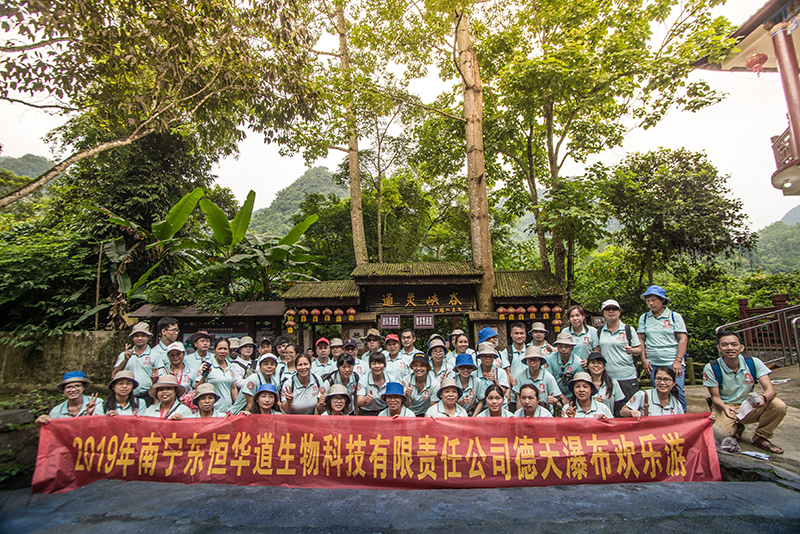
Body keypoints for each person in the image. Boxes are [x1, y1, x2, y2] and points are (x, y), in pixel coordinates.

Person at [703, 330, 787, 454]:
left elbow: (770, 390)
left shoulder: (753, 363)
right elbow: (715, 397)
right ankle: (737, 428)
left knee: (778, 405)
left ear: (741, 347)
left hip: (749, 406)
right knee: (720, 438)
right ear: (719, 348)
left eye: (734, 344)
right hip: (725, 407)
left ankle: (761, 436)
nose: (730, 348)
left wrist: (763, 398)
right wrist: (724, 407)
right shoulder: (712, 368)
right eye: (725, 345)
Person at [637, 285, 689, 411]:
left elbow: (683, 339)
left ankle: (683, 419)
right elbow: (641, 340)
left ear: (662, 300)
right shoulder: (644, 318)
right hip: (653, 362)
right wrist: (644, 359)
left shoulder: (674, 316)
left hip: (672, 362)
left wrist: (678, 360)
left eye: (654, 300)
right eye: (648, 300)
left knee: (678, 392)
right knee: (659, 393)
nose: (651, 303)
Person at [597, 299, 642, 401]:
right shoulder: (599, 332)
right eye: (607, 309)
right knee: (611, 409)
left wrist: (632, 350)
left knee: (629, 409)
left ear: (619, 312)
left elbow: (640, 350)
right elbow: (597, 352)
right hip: (608, 378)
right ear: (603, 313)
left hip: (627, 376)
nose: (611, 311)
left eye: (614, 309)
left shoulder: (628, 330)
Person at [111, 322, 160, 406]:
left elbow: (160, 376)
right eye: (137, 336)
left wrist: (155, 397)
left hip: (147, 395)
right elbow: (114, 375)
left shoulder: (155, 355)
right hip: (127, 396)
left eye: (143, 335)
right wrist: (125, 360)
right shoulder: (124, 354)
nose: (140, 338)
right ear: (132, 338)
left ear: (148, 337)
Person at [510, 346, 566, 414]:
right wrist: (521, 415)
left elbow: (556, 398)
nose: (532, 362)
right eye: (530, 360)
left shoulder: (548, 377)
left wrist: (552, 400)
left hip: (545, 413)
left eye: (535, 359)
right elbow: (518, 397)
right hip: (526, 412)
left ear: (540, 361)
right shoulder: (520, 376)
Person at [36, 371, 100, 425]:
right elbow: (52, 435)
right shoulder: (56, 411)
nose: (73, 390)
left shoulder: (97, 403)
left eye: (77, 386)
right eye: (69, 387)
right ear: (63, 390)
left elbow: (104, 427)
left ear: (84, 387)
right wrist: (40, 424)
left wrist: (90, 416)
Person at [195, 337, 237, 413]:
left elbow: (233, 388)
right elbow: (196, 387)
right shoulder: (207, 365)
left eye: (225, 349)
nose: (222, 351)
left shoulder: (231, 366)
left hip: (228, 411)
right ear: (214, 350)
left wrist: (237, 406)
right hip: (212, 411)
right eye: (220, 348)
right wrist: (204, 376)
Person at [545, 331, 584, 399]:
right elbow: (548, 380)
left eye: (566, 347)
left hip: (571, 395)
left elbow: (578, 383)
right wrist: (561, 397)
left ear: (572, 348)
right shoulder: (549, 359)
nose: (563, 349)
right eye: (560, 346)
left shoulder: (578, 362)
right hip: (552, 395)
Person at [473, 341, 509, 415]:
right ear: (480, 357)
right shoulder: (474, 374)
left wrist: (495, 381)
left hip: (500, 407)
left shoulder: (500, 372)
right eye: (485, 356)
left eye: (490, 356)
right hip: (480, 408)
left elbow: (503, 392)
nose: (488, 358)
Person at [585, 352, 626, 416]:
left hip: (608, 420)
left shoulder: (613, 383)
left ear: (604, 366)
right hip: (588, 421)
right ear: (588, 366)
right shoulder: (583, 383)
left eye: (599, 363)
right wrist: (589, 401)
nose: (596, 365)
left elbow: (619, 407)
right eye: (593, 362)